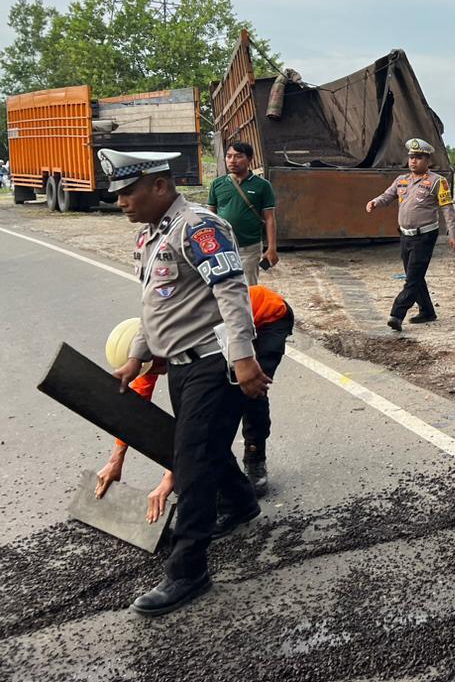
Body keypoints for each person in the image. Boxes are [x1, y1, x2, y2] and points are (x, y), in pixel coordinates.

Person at [99, 147, 269, 616]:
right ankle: (241, 504)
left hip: (214, 365)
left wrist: (243, 358)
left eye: (128, 192)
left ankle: (187, 571)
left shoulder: (199, 226)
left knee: (191, 463)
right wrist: (136, 357)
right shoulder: (152, 236)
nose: (121, 202)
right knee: (203, 447)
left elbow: (231, 290)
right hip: (180, 364)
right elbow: (155, 307)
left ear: (159, 185)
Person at [96, 285, 296, 508]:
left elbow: (202, 413)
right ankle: (221, 477)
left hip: (267, 318)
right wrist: (116, 460)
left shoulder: (189, 338)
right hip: (228, 332)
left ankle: (254, 457)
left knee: (247, 392)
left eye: (155, 367)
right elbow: (135, 411)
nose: (156, 374)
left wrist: (172, 474)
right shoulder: (149, 356)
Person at [365, 138, 455, 331]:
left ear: (427, 160)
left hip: (424, 236)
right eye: (411, 157)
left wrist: (453, 234)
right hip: (405, 235)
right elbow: (388, 196)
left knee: (412, 279)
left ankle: (397, 314)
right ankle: (427, 311)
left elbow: (447, 209)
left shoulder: (437, 182)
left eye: (418, 157)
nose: (413, 161)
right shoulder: (402, 180)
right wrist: (375, 202)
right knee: (414, 275)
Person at [207, 142, 277, 286]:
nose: (232, 160)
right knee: (223, 286)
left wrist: (271, 248)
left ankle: (249, 309)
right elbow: (210, 216)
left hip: (249, 247)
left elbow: (269, 218)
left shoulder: (262, 185)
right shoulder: (217, 184)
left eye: (238, 156)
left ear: (249, 159)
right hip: (223, 246)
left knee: (248, 287)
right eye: (229, 156)